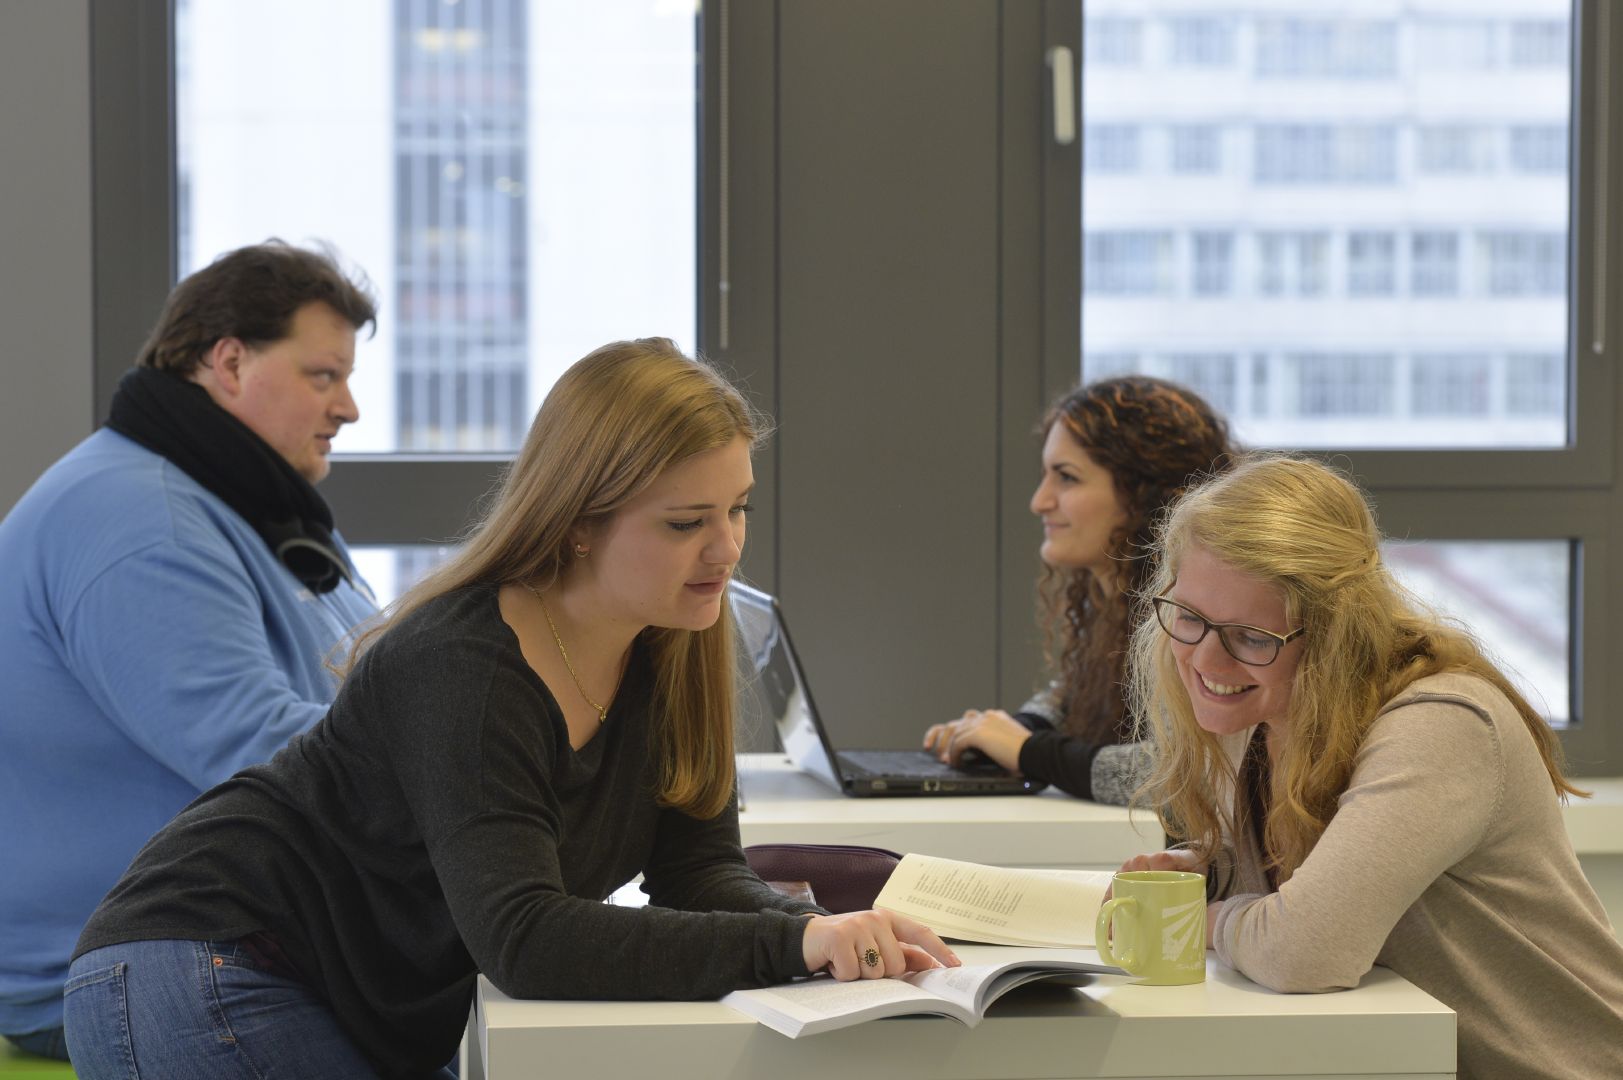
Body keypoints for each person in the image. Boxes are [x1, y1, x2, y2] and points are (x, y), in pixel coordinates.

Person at [63, 338, 957, 1080]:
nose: (723, 548)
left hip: (329, 988)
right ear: (578, 520)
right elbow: (525, 941)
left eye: (738, 509)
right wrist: (788, 949)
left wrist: (823, 934)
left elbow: (700, 873)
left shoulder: (670, 644)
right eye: (684, 523)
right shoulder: (465, 665)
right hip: (199, 957)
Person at [1118, 454, 1623, 1080]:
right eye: (1189, 618)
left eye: (1250, 636)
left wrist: (1209, 918)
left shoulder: (1442, 722)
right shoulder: (1267, 715)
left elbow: (1307, 951)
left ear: (1333, 633)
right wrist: (1215, 871)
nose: (1206, 660)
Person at [0, 241, 380, 1061]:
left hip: (220, 942)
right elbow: (269, 758)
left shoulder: (250, 510)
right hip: (132, 972)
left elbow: (373, 691)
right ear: (230, 362)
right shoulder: (141, 525)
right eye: (324, 376)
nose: (348, 408)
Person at [922, 376, 1235, 802]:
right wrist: (1011, 731)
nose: (1039, 501)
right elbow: (1070, 692)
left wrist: (1029, 751)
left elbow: (1178, 771)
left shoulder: (1196, 609)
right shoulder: (1114, 592)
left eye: (1066, 478)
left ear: (1142, 493)